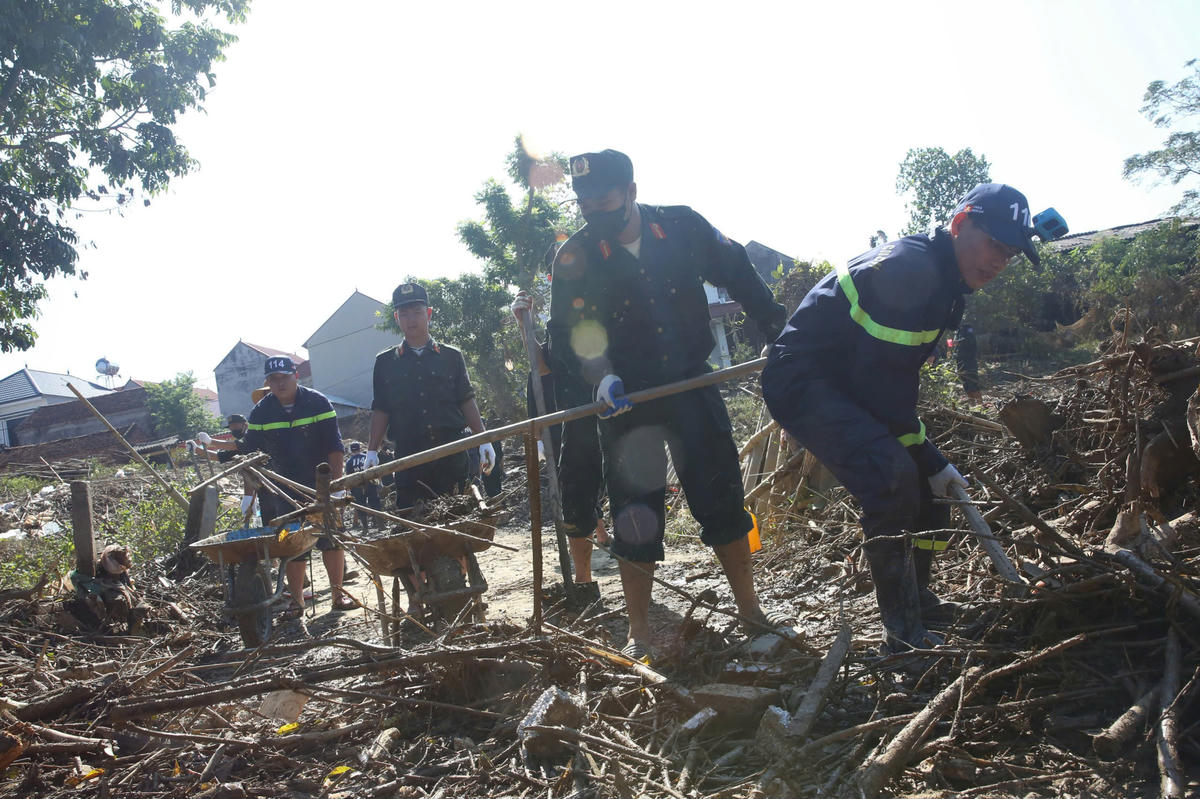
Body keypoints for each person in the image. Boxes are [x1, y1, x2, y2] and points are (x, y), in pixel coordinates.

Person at [761, 183, 1052, 653]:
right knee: (892, 475)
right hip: (805, 383)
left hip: (849, 382)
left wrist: (928, 462)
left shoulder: (945, 276)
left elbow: (886, 384)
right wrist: (930, 456)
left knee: (929, 493)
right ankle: (901, 631)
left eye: (1011, 252)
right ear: (959, 225)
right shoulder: (910, 271)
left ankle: (922, 598)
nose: (1000, 260)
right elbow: (883, 390)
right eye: (994, 243)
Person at [546, 149, 789, 659]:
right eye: (584, 203)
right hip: (626, 401)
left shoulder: (681, 227)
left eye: (604, 199)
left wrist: (776, 328)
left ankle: (750, 609)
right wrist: (600, 375)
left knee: (722, 498)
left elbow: (738, 270)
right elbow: (567, 333)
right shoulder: (576, 256)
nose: (594, 210)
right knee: (635, 516)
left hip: (691, 385)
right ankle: (639, 633)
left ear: (632, 192)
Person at [235, 355, 352, 616]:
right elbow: (250, 457)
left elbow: (334, 446)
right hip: (282, 490)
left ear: (295, 377)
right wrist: (248, 496)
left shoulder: (317, 402)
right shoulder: (261, 412)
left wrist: (338, 484)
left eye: (284, 378)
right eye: (273, 380)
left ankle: (338, 596)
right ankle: (298, 602)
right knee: (290, 546)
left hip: (319, 483)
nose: (280, 384)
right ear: (268, 382)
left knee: (331, 539)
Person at [366, 282, 495, 512]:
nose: (411, 319)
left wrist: (483, 439)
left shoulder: (450, 356)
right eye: (404, 314)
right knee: (414, 527)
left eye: (416, 312)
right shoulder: (385, 363)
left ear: (428, 314)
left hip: (451, 451)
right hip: (408, 458)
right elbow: (381, 408)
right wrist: (372, 451)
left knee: (459, 520)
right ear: (396, 318)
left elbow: (467, 399)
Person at [512, 289, 608, 596]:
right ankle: (584, 581)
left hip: (621, 413)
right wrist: (522, 324)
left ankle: (638, 574)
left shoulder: (613, 300)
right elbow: (542, 367)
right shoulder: (561, 324)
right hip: (577, 422)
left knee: (628, 492)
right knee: (577, 497)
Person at [344, 442, 382, 530]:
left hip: (357, 486)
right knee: (375, 503)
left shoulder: (349, 462)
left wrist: (349, 490)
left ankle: (365, 528)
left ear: (351, 450)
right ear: (359, 448)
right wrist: (380, 483)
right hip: (370, 483)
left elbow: (348, 477)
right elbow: (375, 471)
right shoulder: (366, 457)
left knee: (361, 506)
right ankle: (380, 524)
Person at [953, 323, 982, 402]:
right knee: (965, 383)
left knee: (972, 382)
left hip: (969, 361)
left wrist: (959, 342)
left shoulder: (968, 328)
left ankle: (980, 404)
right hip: (960, 360)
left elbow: (970, 339)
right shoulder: (957, 331)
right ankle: (972, 405)